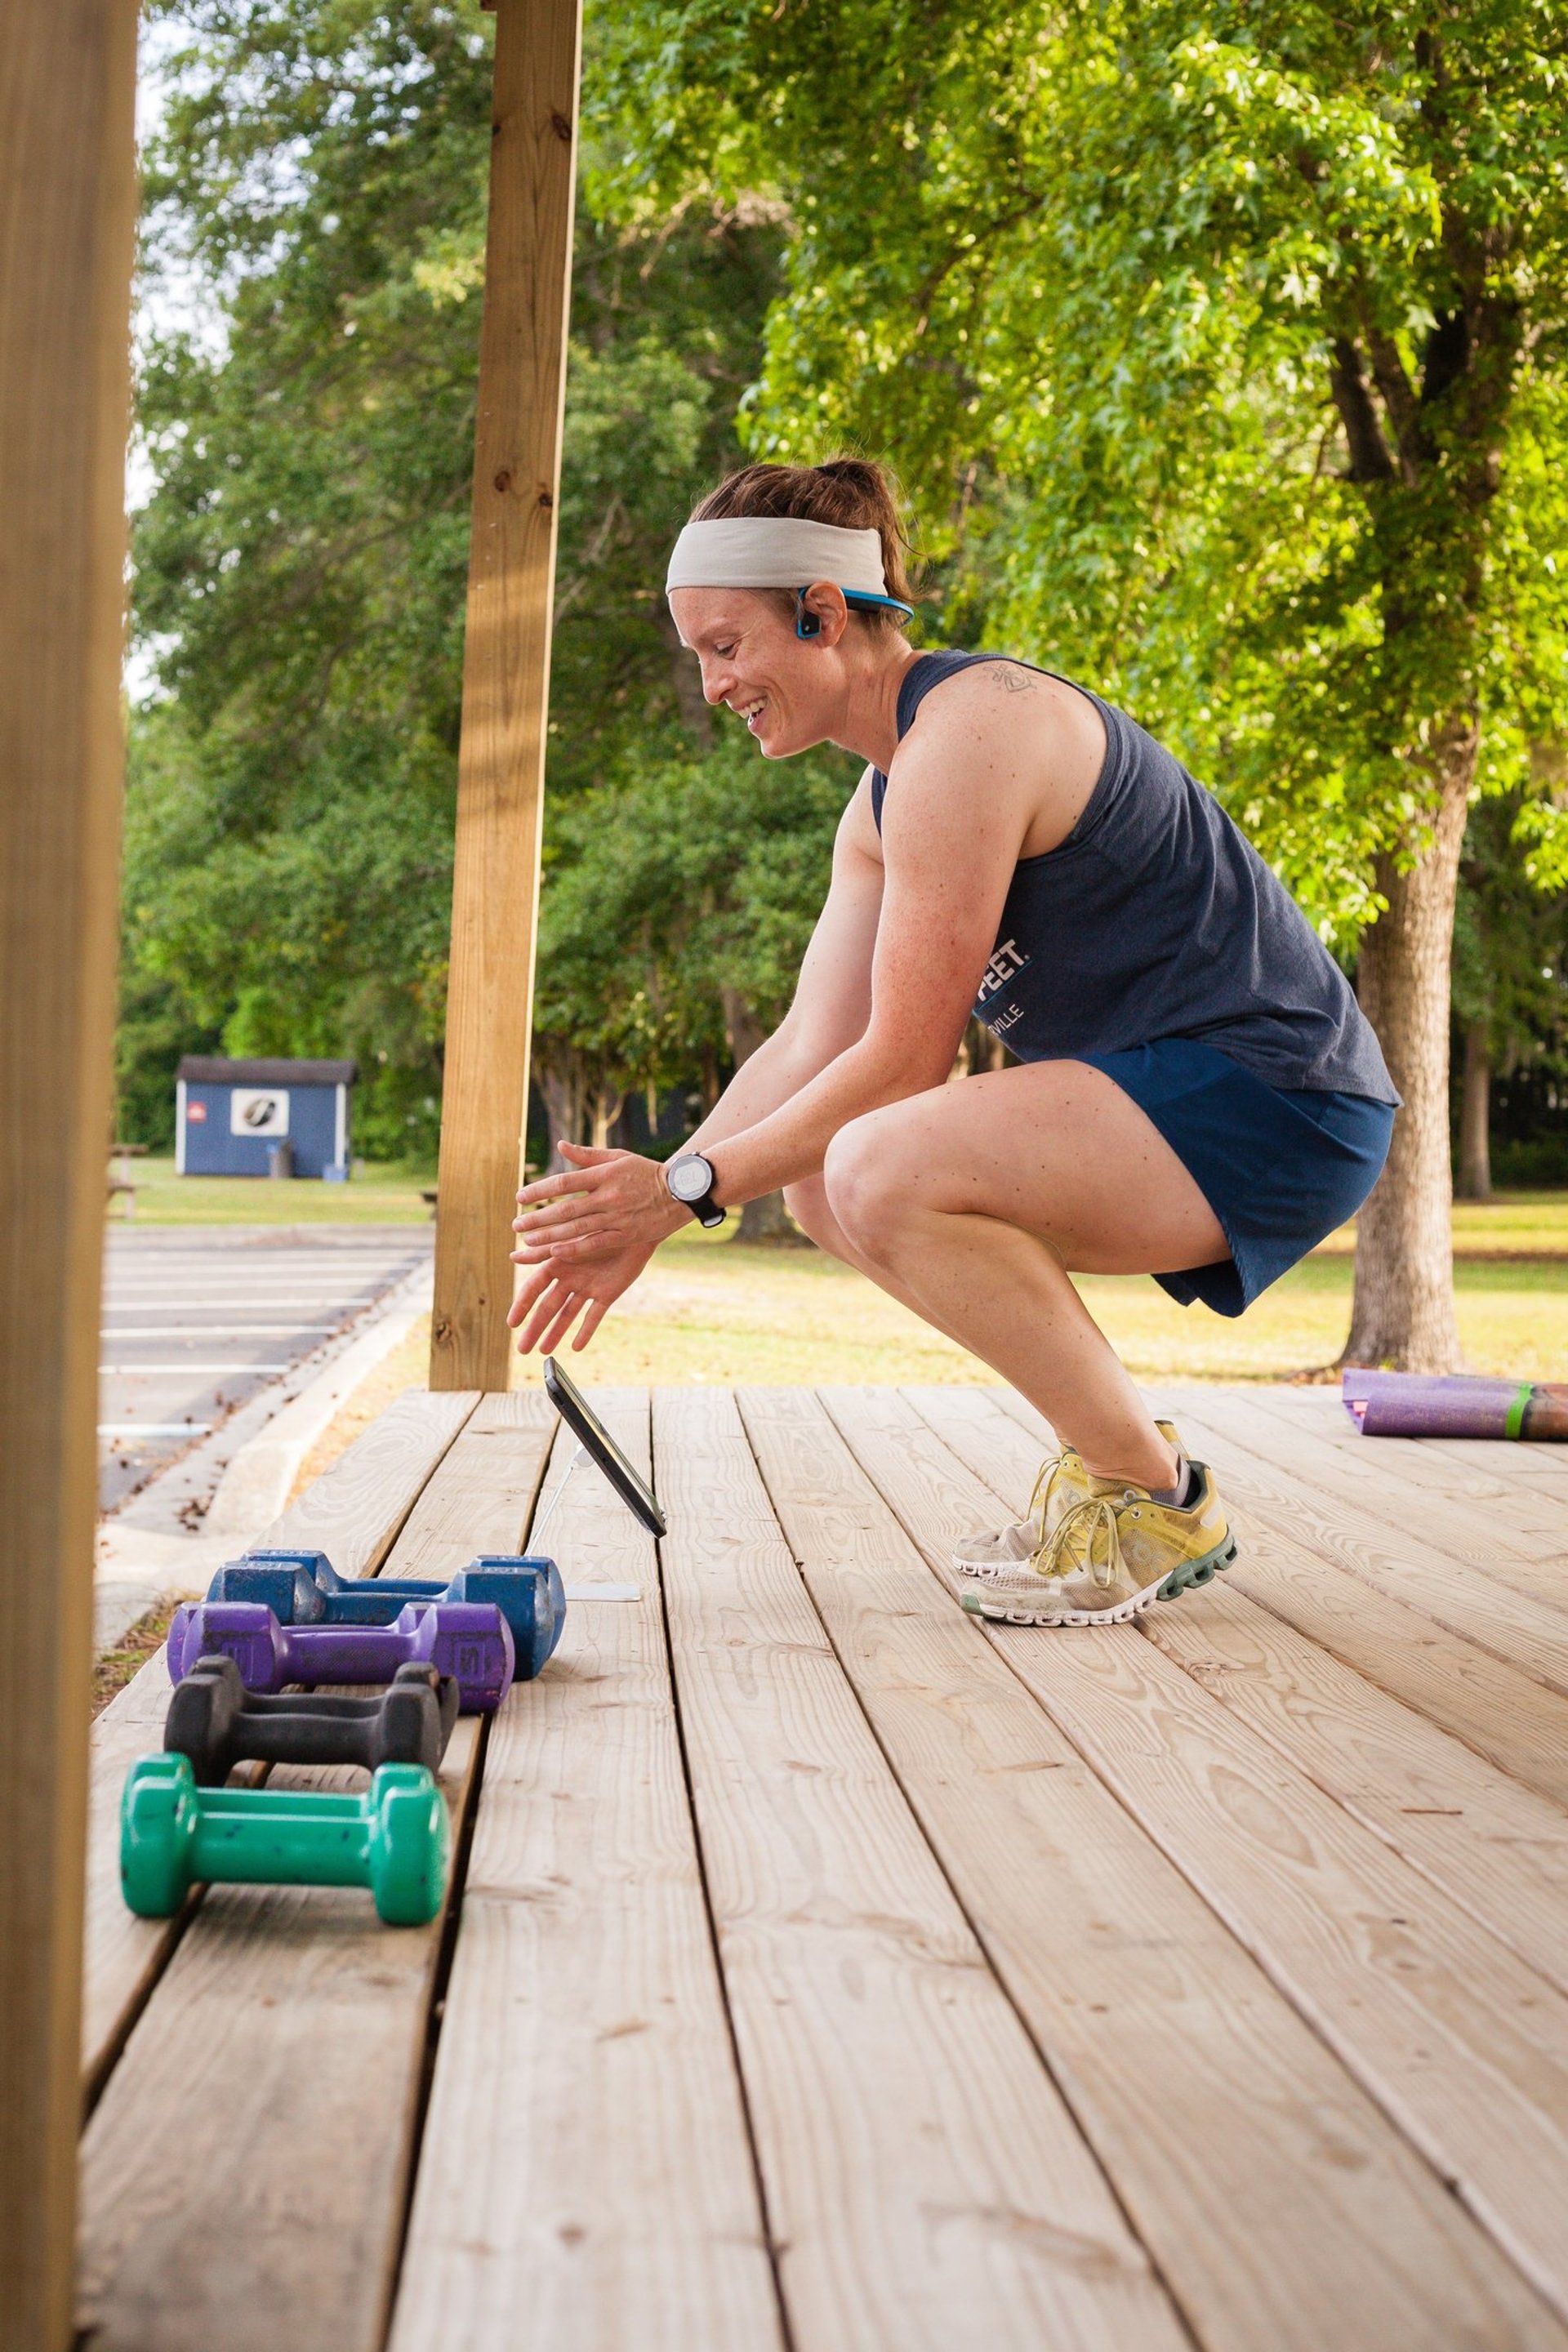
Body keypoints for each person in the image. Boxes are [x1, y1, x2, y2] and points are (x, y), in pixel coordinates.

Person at [509, 457, 1397, 1627]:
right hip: (1181, 1100)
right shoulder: (881, 802)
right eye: (701, 659)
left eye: (728, 648)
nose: (718, 686)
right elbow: (809, 1048)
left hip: (1279, 1095)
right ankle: (1117, 1458)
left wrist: (681, 1193)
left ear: (822, 611)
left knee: (873, 1158)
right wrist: (657, 1207)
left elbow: (902, 1062)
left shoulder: (976, 730)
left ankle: (1151, 1493)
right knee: (830, 1182)